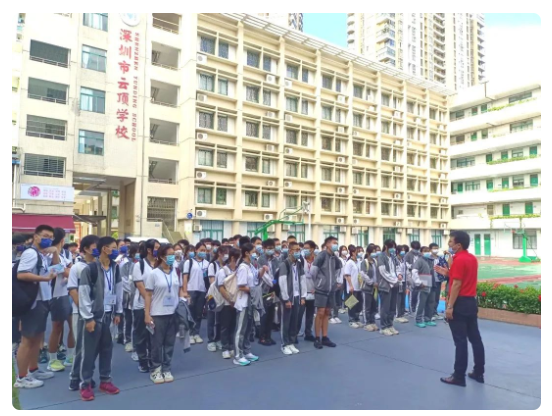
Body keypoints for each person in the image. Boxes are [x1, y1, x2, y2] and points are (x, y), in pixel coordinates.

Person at [436, 231, 485, 387]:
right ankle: (478, 372)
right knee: (475, 339)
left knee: (460, 341)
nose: (449, 244)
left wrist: (449, 305)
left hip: (460, 302)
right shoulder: (471, 259)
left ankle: (458, 375)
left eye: (451, 242)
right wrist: (448, 273)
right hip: (471, 302)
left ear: (458, 245)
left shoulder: (458, 259)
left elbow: (457, 284)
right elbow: (462, 278)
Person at [78, 236, 123, 401]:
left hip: (110, 316)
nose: (116, 250)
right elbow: (83, 294)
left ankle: (105, 380)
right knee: (89, 353)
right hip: (94, 317)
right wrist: (88, 318)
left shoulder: (115, 268)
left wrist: (118, 312)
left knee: (107, 350)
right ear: (105, 248)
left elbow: (118, 290)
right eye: (114, 247)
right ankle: (85, 384)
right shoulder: (89, 269)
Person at [14, 225, 58, 389]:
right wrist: (44, 279)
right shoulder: (31, 253)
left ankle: (33, 369)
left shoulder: (42, 254)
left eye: (51, 237)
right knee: (27, 340)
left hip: (43, 300)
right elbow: (21, 273)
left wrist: (55, 251)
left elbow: (56, 267)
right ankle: (22, 378)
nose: (48, 239)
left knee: (37, 338)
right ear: (36, 236)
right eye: (45, 235)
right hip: (34, 302)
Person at [144, 244, 181, 384]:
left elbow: (177, 290)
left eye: (173, 254)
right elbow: (148, 295)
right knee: (157, 344)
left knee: (170, 343)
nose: (172, 257)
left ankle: (166, 368)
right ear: (161, 257)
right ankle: (156, 369)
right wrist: (147, 314)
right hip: (158, 313)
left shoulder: (175, 271)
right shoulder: (154, 274)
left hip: (173, 312)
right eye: (169, 255)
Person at [67, 235, 99, 391]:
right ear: (86, 249)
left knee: (93, 347)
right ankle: (75, 377)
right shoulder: (77, 267)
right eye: (95, 246)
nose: (98, 249)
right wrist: (84, 309)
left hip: (98, 313)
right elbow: (72, 290)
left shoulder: (101, 266)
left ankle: (87, 376)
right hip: (80, 313)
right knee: (80, 346)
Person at [46, 228, 75, 373]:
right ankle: (52, 360)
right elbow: (56, 270)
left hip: (68, 293)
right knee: (57, 327)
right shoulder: (50, 253)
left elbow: (71, 271)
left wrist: (66, 270)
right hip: (56, 295)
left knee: (73, 326)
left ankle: (70, 356)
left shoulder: (65, 254)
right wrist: (65, 270)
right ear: (62, 239)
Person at [132, 239, 160, 373]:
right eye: (156, 248)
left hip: (157, 307)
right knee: (141, 334)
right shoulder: (140, 265)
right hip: (141, 306)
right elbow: (140, 286)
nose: (159, 250)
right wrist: (150, 302)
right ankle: (143, 360)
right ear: (149, 250)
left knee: (154, 335)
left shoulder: (161, 264)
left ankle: (153, 359)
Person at [311, 236, 341, 349]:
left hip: (331, 289)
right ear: (328, 244)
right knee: (320, 312)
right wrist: (318, 283)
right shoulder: (322, 255)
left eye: (336, 243)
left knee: (327, 312)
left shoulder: (335, 258)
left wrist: (335, 281)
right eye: (334, 243)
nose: (336, 245)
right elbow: (313, 271)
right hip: (321, 289)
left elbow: (338, 269)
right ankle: (317, 337)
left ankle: (325, 337)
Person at [233, 243, 260, 366]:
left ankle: (247, 351)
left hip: (251, 302)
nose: (255, 253)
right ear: (246, 253)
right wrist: (254, 290)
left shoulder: (251, 266)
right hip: (243, 302)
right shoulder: (243, 267)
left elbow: (255, 280)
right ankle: (238, 356)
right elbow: (241, 286)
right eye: (253, 251)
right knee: (241, 329)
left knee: (249, 328)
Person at [278, 241, 306, 355]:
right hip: (288, 298)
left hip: (297, 296)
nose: (298, 252)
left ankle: (291, 342)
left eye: (299, 250)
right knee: (286, 322)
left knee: (294, 321)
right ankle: (284, 344)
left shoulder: (299, 264)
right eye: (296, 250)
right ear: (290, 251)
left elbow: (303, 280)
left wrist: (303, 296)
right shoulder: (284, 264)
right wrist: (286, 299)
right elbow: (282, 282)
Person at [182, 242, 209, 344]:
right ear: (196, 250)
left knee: (198, 313)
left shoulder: (207, 264)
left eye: (204, 250)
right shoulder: (189, 263)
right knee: (190, 312)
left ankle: (196, 333)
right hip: (191, 289)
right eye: (201, 250)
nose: (203, 252)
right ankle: (189, 334)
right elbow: (185, 277)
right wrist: (185, 291)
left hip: (202, 290)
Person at [217, 248, 240, 359]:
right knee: (225, 326)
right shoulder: (223, 271)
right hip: (226, 303)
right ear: (232, 258)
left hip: (236, 302)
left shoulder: (239, 270)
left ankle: (231, 346)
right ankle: (225, 347)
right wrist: (229, 300)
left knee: (233, 325)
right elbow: (220, 287)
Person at [257, 238, 279, 346]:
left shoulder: (276, 260)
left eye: (272, 248)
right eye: (269, 248)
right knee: (264, 315)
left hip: (273, 290)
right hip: (264, 289)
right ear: (264, 248)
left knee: (271, 314)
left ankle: (269, 336)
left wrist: (275, 284)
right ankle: (262, 337)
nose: (271, 250)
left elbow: (277, 272)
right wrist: (271, 282)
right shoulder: (260, 259)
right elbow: (262, 275)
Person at [376, 239, 401, 336]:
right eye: (391, 247)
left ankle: (390, 325)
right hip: (385, 285)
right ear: (386, 246)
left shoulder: (393, 257)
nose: (393, 249)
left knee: (392, 307)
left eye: (394, 247)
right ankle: (383, 326)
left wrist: (399, 275)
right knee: (385, 308)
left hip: (394, 285)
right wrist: (393, 280)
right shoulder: (381, 256)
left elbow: (398, 267)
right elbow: (383, 272)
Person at [206, 245, 227, 352]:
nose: (227, 256)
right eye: (226, 253)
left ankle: (218, 338)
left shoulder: (227, 266)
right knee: (211, 318)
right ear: (220, 253)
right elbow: (212, 282)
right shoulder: (213, 265)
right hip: (213, 295)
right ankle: (211, 340)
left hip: (224, 295)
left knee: (221, 319)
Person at [411, 246, 437, 328]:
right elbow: (414, 271)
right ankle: (418, 320)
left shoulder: (430, 260)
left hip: (431, 283)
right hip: (423, 285)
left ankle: (428, 319)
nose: (427, 252)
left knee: (430, 302)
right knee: (421, 303)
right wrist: (419, 282)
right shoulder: (419, 261)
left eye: (428, 251)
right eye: (425, 251)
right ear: (421, 252)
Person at [119, 243, 138, 352]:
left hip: (139, 295)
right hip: (129, 294)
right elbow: (125, 279)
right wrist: (132, 291)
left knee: (136, 319)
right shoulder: (125, 263)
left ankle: (135, 340)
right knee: (128, 318)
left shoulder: (141, 263)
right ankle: (128, 340)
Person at [297, 240, 316, 341]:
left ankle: (308, 333)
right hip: (302, 293)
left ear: (312, 249)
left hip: (313, 291)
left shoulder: (317, 261)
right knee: (299, 314)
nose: (304, 250)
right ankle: (294, 334)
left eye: (307, 248)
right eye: (303, 248)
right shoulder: (300, 261)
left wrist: (317, 287)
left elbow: (321, 276)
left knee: (310, 315)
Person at [360, 245, 378, 331]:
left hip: (375, 288)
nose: (375, 253)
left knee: (374, 306)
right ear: (368, 252)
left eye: (375, 251)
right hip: (367, 287)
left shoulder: (375, 262)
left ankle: (372, 321)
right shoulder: (365, 262)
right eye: (373, 251)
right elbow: (363, 274)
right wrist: (371, 282)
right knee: (367, 307)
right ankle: (366, 323)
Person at [344, 245, 362, 328]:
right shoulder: (349, 263)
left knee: (359, 303)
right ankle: (351, 320)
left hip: (359, 286)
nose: (358, 254)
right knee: (352, 304)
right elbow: (347, 275)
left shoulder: (358, 262)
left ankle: (356, 319)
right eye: (357, 252)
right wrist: (350, 285)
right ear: (353, 253)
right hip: (352, 286)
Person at [330, 244, 348, 324]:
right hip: (333, 283)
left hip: (341, 282)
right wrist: (336, 281)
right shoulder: (331, 260)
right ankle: (331, 316)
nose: (336, 252)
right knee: (332, 300)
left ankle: (336, 315)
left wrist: (340, 282)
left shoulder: (339, 261)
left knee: (338, 299)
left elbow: (341, 272)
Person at [404, 241, 422, 316]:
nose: (416, 250)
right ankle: (411, 309)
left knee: (418, 292)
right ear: (412, 247)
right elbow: (406, 264)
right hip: (410, 275)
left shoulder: (420, 254)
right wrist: (414, 266)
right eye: (415, 248)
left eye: (418, 248)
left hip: (419, 275)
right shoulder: (408, 255)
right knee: (412, 292)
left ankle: (416, 308)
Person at [394, 245, 409, 324]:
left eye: (404, 250)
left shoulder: (404, 260)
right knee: (398, 298)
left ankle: (402, 314)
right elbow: (395, 270)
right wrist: (398, 275)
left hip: (403, 281)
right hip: (397, 281)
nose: (403, 252)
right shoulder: (395, 260)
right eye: (402, 250)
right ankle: (397, 315)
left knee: (403, 297)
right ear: (398, 251)